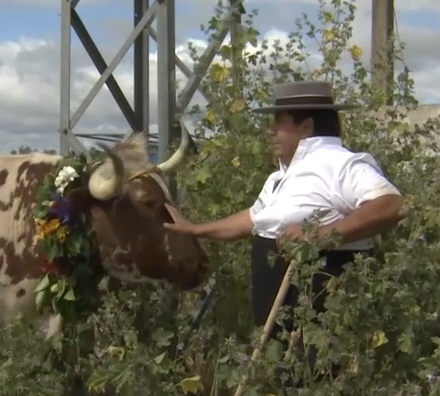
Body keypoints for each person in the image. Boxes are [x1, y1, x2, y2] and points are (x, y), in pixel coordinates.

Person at [163, 80, 404, 330]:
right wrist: (194, 229)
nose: (270, 130)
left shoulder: (340, 164)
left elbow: (391, 204)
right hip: (277, 322)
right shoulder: (281, 177)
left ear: (306, 126)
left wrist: (318, 235)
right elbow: (253, 220)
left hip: (319, 324)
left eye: (279, 121)